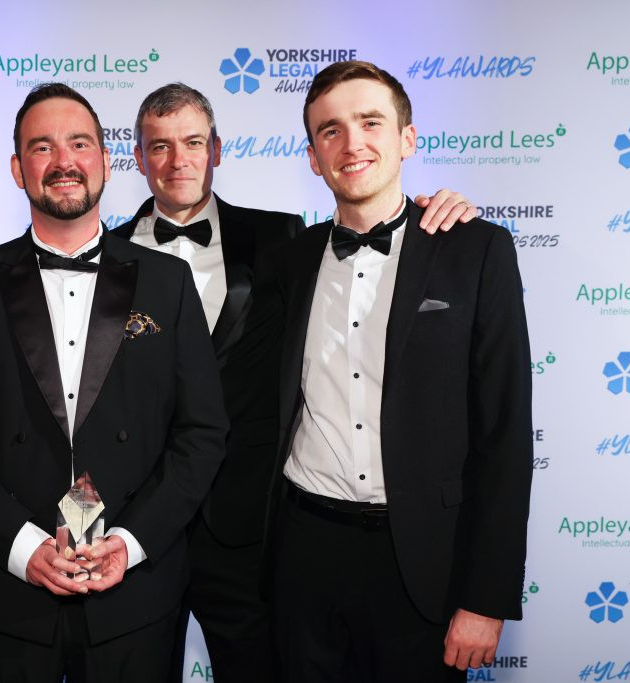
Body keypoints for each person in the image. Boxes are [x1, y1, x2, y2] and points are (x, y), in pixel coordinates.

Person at [113, 82, 479, 682]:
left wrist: (440, 210)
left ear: (217, 150)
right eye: (159, 146)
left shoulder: (282, 240)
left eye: (194, 143)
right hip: (136, 529)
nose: (178, 160)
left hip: (248, 530)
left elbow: (382, 236)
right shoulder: (102, 255)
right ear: (137, 158)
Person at [0, 83, 229, 682]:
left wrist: (131, 542)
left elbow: (202, 432)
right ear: (17, 169)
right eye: (42, 147)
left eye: (79, 144)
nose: (63, 161)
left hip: (134, 602)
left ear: (106, 159)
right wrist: (20, 546)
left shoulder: (168, 282)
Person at [260, 61, 533, 682]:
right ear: (312, 157)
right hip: (304, 553)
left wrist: (486, 598)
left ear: (407, 139)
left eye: (370, 122)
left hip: (426, 560)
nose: (351, 143)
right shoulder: (289, 261)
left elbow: (506, 435)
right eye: (330, 130)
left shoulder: (475, 249)